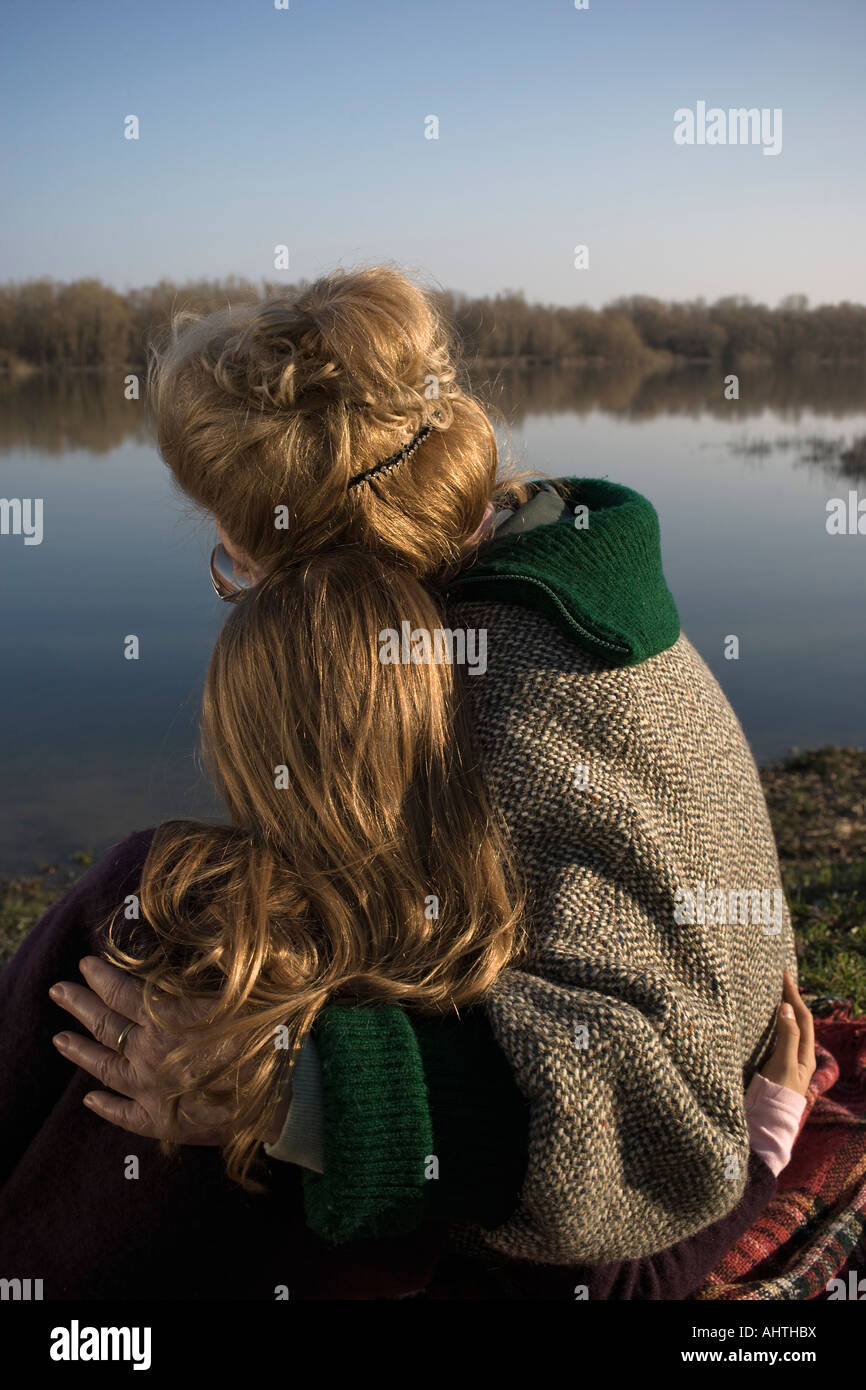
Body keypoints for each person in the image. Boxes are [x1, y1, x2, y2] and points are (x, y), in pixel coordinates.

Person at [0, 266, 815, 1299]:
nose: (221, 568)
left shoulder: (516, 696)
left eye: (232, 553)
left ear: (318, 579)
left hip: (582, 1234)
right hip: (599, 1136)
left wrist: (291, 1090)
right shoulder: (530, 577)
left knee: (173, 921)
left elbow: (652, 1134)